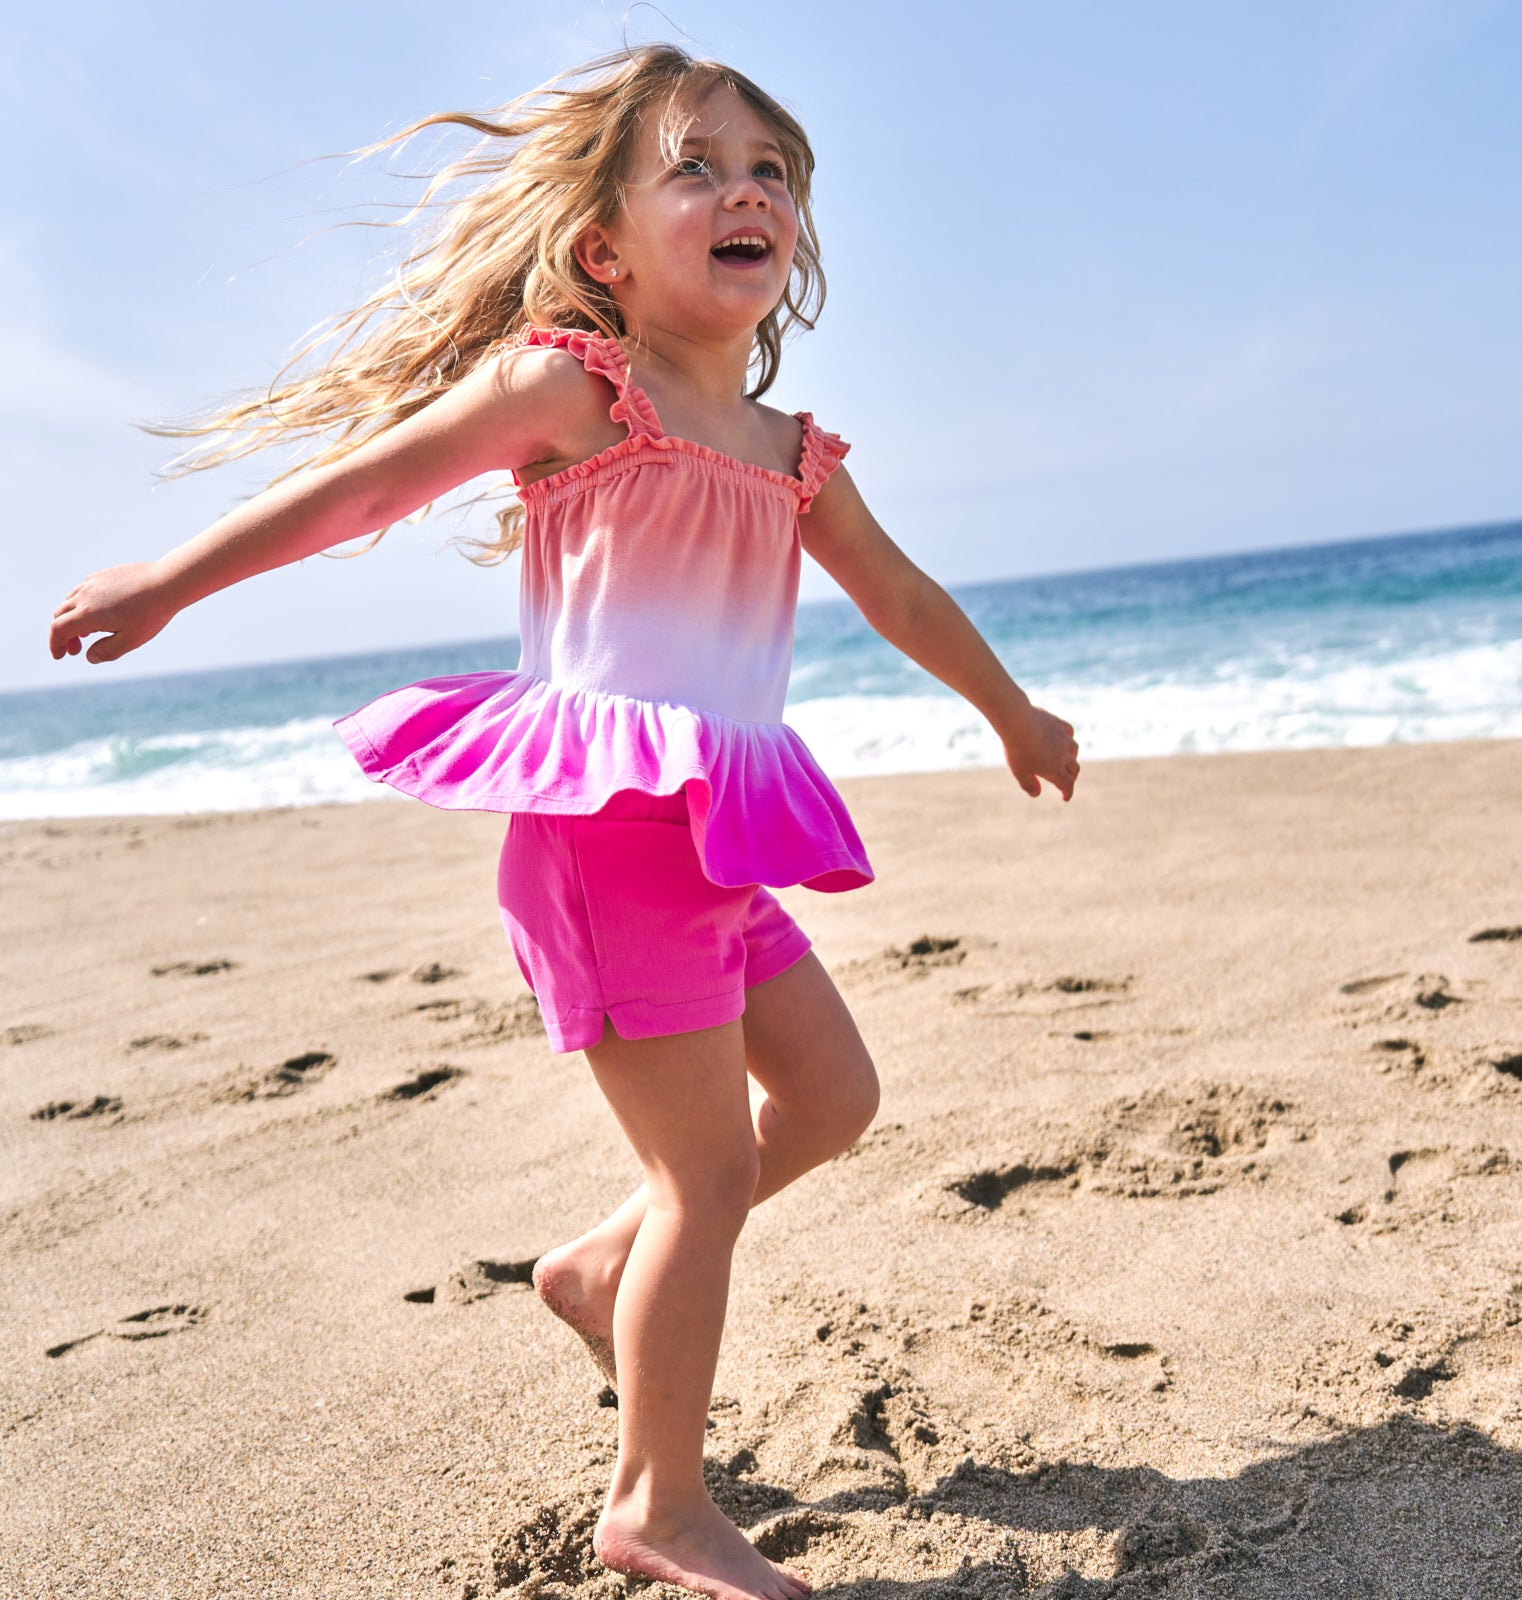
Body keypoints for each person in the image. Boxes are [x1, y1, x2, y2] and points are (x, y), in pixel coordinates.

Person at [48, 45, 1078, 1600]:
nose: (744, 190)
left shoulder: (793, 454)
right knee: (705, 1180)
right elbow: (363, 491)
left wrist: (1010, 709)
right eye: (696, 166)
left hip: (719, 832)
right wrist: (171, 583)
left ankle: (601, 1270)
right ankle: (658, 1504)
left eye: (771, 171)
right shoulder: (573, 391)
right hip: (606, 842)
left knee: (832, 1097)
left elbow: (904, 595)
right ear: (605, 249)